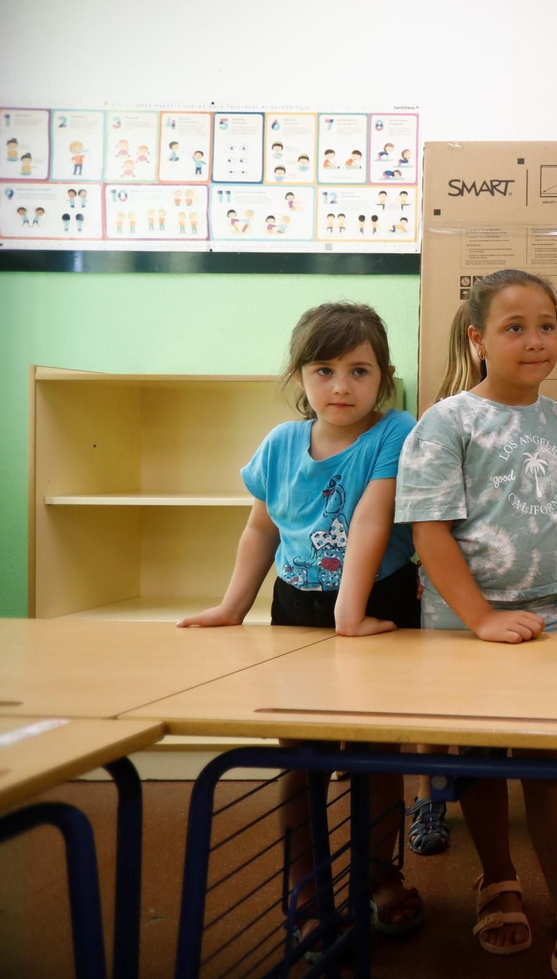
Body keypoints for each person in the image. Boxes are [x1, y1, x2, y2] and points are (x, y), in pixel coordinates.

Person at [396, 270, 557, 976]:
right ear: (477, 340)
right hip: (465, 625)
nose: (537, 341)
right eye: (514, 327)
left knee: (554, 771)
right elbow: (428, 529)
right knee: (480, 767)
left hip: (556, 625)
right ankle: (498, 878)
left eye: (548, 326)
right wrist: (480, 618)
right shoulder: (447, 421)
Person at [178, 301, 423, 948]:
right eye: (324, 370)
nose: (341, 386)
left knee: (377, 755)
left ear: (385, 376)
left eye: (359, 370)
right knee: (300, 758)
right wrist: (232, 606)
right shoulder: (280, 444)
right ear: (300, 376)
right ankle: (308, 882)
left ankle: (377, 876)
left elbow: (373, 521)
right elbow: (261, 529)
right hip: (296, 608)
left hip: (375, 606)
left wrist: (351, 613)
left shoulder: (396, 430)